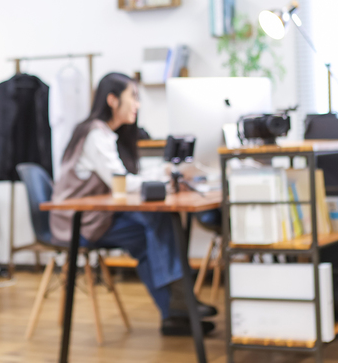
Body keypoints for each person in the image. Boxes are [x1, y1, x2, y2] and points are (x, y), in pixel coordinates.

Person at [50, 72, 216, 336]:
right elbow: (121, 184)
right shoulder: (95, 135)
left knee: (151, 235)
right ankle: (179, 301)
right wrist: (162, 178)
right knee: (157, 221)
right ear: (112, 100)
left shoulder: (106, 134)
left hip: (98, 217)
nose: (137, 105)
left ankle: (174, 314)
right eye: (134, 97)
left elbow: (123, 179)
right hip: (79, 221)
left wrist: (162, 175)